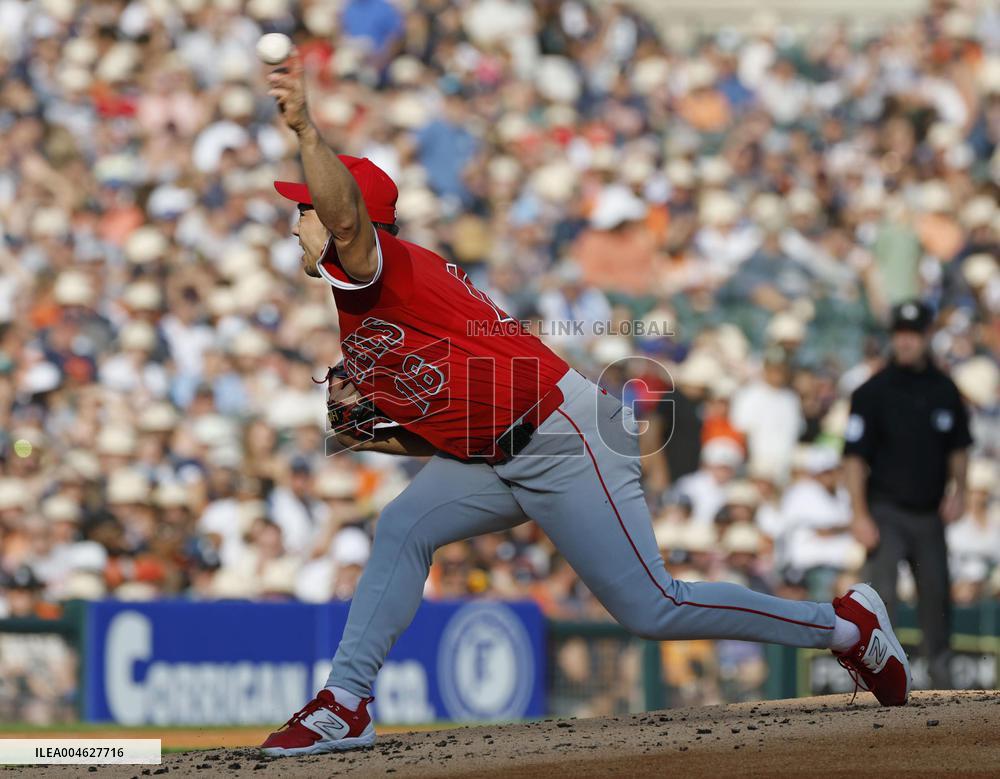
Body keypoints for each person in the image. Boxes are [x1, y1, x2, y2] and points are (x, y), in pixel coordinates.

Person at [258, 53, 911, 758]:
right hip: (495, 453)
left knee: (653, 606)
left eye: (305, 208)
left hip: (564, 432)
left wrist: (307, 128)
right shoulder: (363, 313)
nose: (297, 221)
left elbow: (347, 222)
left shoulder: (379, 270)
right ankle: (346, 702)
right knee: (402, 526)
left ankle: (846, 625)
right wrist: (374, 435)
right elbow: (437, 429)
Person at [843, 300, 973, 690]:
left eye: (913, 334)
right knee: (880, 601)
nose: (905, 342)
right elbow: (853, 458)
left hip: (930, 513)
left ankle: (943, 686)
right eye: (900, 333)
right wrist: (859, 514)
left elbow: (959, 447)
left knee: (937, 599)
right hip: (885, 511)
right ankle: (879, 684)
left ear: (928, 336)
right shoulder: (872, 391)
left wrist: (960, 490)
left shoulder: (945, 389)